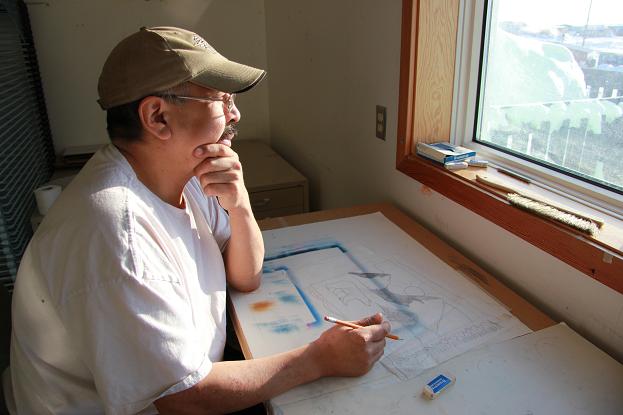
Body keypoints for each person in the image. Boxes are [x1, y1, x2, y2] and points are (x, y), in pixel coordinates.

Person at [3, 26, 390, 414]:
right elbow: (184, 399)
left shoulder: (183, 177)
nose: (235, 114)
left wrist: (239, 205)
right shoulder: (117, 233)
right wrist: (320, 358)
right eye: (221, 99)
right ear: (157, 117)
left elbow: (245, 275)